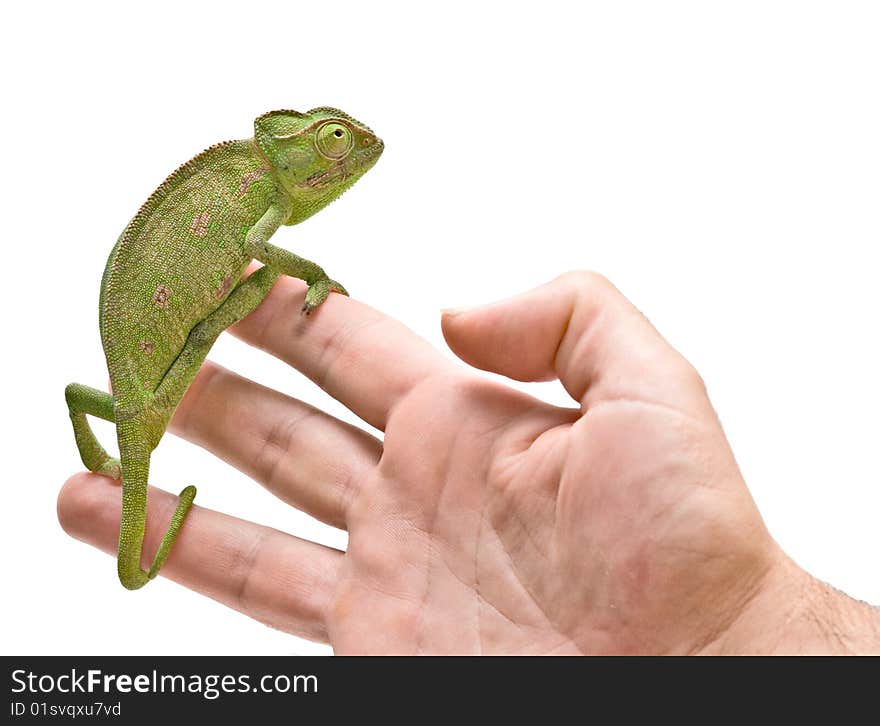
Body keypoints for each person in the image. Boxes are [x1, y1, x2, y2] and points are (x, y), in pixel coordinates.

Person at [58, 271, 880, 654]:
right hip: (153, 336)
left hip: (147, 371)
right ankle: (114, 463)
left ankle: (107, 455)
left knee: (114, 400)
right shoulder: (249, 191)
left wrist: (742, 621)